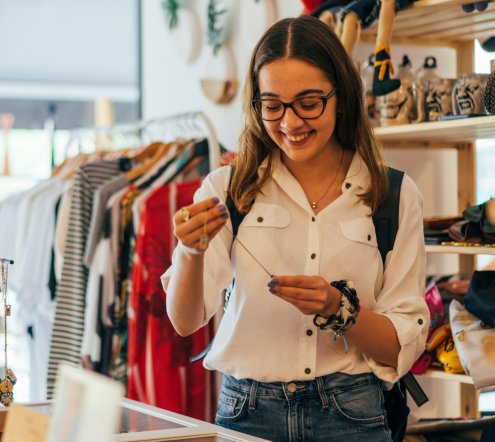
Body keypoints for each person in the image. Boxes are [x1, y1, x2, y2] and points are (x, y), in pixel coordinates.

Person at [161, 15, 429, 442]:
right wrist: (191, 253)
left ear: (341, 95)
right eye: (272, 105)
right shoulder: (226, 189)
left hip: (350, 414)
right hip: (247, 414)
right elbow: (185, 320)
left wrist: (339, 309)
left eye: (308, 103)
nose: (289, 123)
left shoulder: (392, 194)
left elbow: (402, 345)